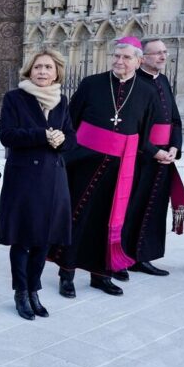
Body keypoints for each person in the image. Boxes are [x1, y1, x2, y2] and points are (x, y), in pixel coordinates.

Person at [49, 36, 161, 297]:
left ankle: (101, 275)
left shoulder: (147, 92)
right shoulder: (92, 84)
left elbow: (143, 135)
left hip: (120, 168)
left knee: (109, 221)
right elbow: (71, 121)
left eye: (126, 57)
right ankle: (67, 272)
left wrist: (156, 154)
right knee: (77, 217)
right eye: (117, 56)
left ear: (139, 61)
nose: (119, 61)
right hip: (83, 164)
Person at [0, 49, 75, 320]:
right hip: (24, 179)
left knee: (45, 239)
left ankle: (34, 289)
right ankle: (21, 292)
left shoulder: (62, 101)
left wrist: (61, 141)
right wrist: (42, 135)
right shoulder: (15, 98)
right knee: (23, 239)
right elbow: (7, 135)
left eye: (48, 68)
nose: (43, 72)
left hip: (53, 179)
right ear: (29, 70)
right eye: (38, 67)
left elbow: (71, 137)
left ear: (57, 73)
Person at [122, 38, 184, 277]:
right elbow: (130, 126)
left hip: (163, 157)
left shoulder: (163, 80)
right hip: (139, 156)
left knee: (154, 208)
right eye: (156, 53)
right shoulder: (132, 82)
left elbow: (175, 120)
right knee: (131, 208)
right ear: (142, 58)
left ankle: (143, 257)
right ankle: (123, 256)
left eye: (164, 52)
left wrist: (174, 148)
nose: (162, 56)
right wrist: (153, 151)